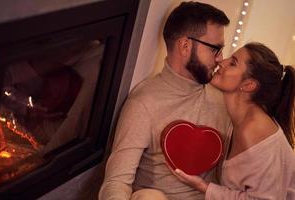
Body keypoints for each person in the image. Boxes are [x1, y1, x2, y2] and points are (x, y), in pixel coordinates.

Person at [99, 2, 231, 200]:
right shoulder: (144, 103)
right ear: (185, 46)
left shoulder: (224, 98)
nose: (221, 59)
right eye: (215, 49)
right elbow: (116, 182)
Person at [171, 42, 295, 199]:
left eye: (232, 63)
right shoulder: (237, 120)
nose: (221, 62)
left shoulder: (254, 129)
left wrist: (203, 187)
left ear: (248, 85)